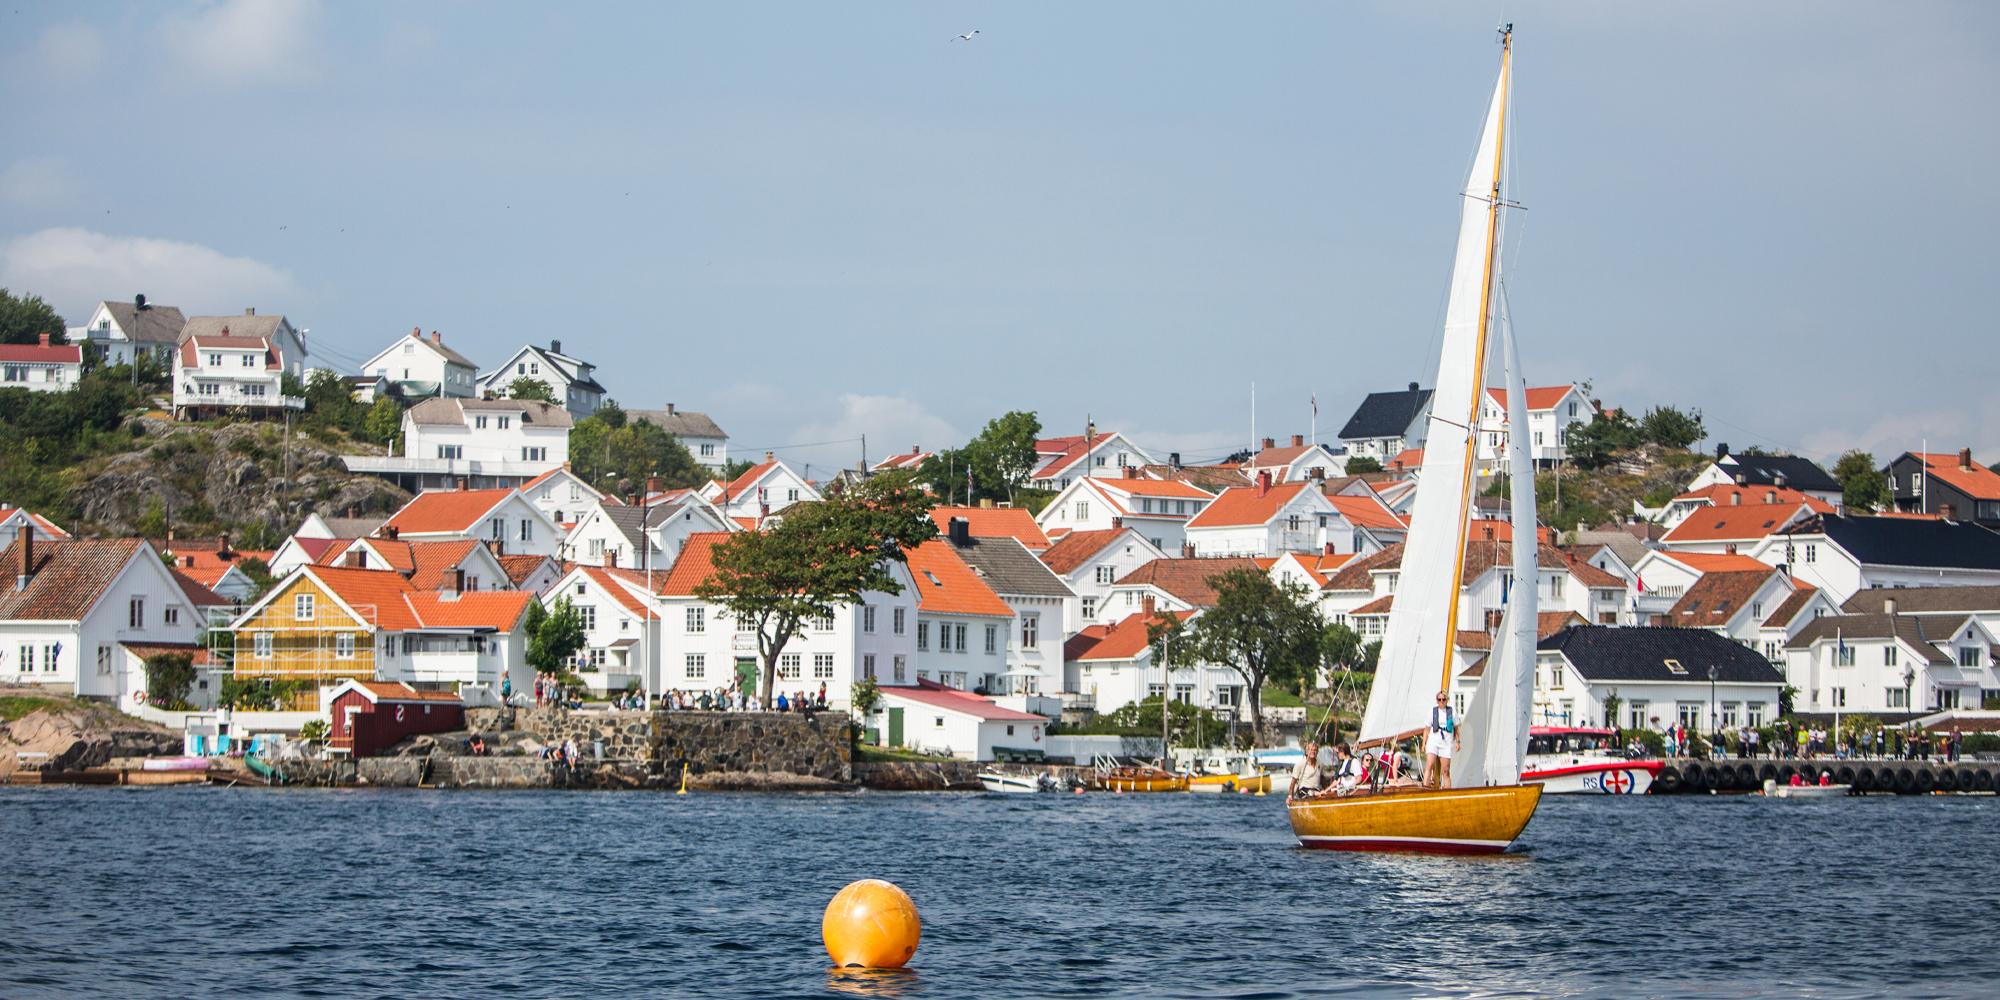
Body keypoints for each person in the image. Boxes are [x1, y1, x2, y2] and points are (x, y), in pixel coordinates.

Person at [1425, 692, 1458, 788]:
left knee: (1446, 770)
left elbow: (1457, 728)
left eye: (1443, 699)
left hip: (1446, 743)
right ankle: (1425, 789)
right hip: (1433, 741)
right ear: (1437, 700)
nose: (1441, 701)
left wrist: (1457, 742)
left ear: (1447, 700)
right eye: (1439, 699)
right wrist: (1424, 743)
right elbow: (1426, 729)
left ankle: (1447, 792)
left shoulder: (1452, 712)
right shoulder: (1432, 711)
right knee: (1429, 765)